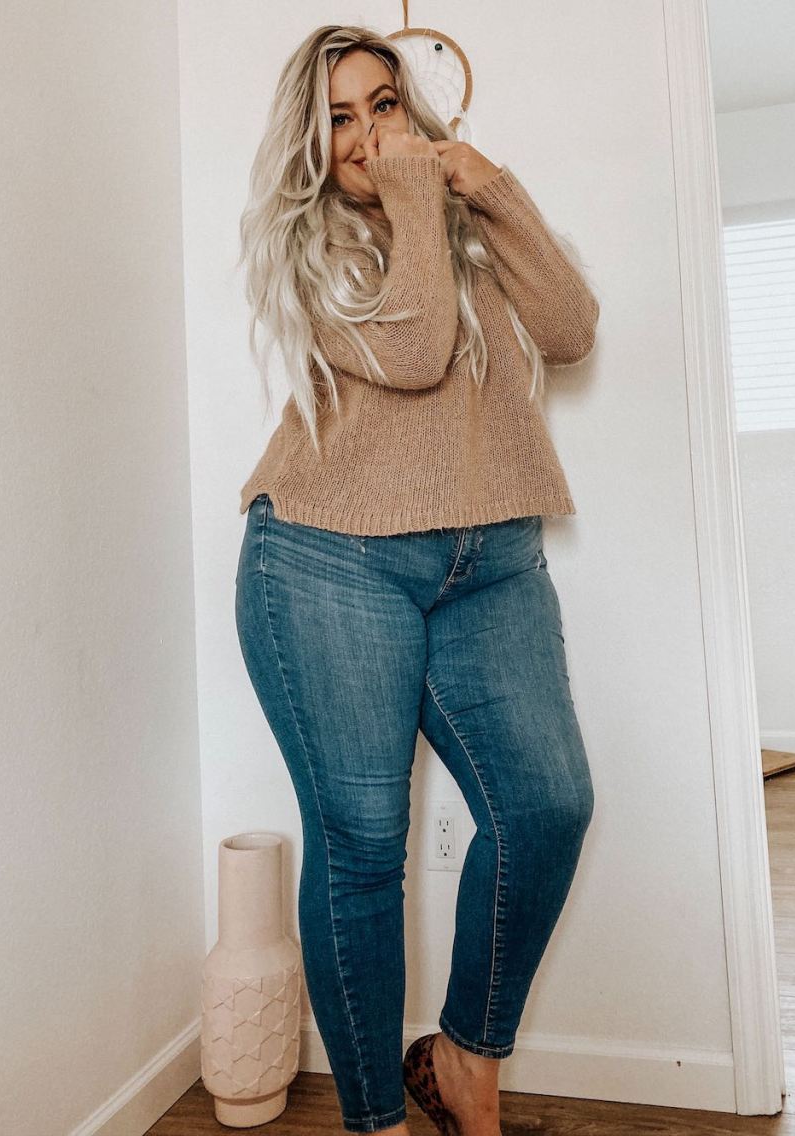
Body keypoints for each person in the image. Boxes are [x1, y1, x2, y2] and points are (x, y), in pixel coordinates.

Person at [233, 23, 600, 1136]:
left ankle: (463, 1062)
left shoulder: (463, 222)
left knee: (545, 807)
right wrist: (408, 197)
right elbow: (416, 348)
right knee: (360, 846)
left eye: (383, 103)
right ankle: (377, 1119)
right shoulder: (304, 245)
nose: (365, 133)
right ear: (310, 136)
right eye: (338, 115)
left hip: (489, 556)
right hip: (327, 558)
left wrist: (491, 189)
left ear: (414, 108)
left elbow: (572, 327)